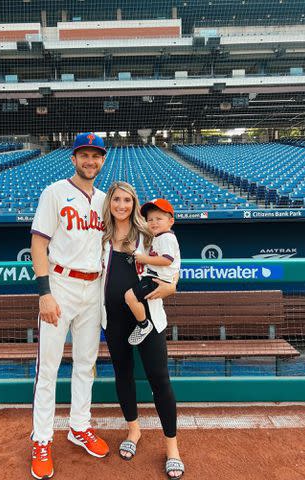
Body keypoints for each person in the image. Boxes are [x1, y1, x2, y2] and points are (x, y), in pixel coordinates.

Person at [30, 132, 109, 480]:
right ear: (73, 158)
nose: (90, 161)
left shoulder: (106, 201)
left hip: (94, 288)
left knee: (85, 363)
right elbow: (38, 243)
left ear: (102, 160)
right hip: (60, 285)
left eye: (96, 155)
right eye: (85, 155)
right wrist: (45, 292)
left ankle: (79, 426)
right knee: (48, 367)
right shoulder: (54, 192)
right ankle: (42, 439)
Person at [101, 182, 185, 479]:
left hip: (147, 314)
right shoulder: (99, 235)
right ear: (109, 203)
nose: (121, 205)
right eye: (117, 200)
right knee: (123, 374)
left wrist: (172, 286)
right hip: (113, 318)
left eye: (127, 200)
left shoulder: (147, 233)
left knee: (159, 379)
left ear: (134, 204)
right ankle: (133, 430)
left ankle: (172, 447)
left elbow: (170, 268)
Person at [125, 198, 181, 346]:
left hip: (157, 280)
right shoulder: (158, 237)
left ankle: (144, 325)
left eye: (159, 218)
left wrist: (144, 258)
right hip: (156, 278)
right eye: (150, 219)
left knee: (129, 297)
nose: (154, 222)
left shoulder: (167, 237)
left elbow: (167, 260)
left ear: (171, 221)